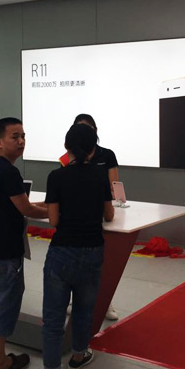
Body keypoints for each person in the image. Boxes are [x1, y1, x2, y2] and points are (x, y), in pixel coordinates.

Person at [40, 123, 115, 369]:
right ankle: (79, 355)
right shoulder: (99, 176)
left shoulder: (56, 177)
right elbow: (109, 215)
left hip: (62, 252)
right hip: (93, 250)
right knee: (84, 309)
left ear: (66, 147)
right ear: (93, 149)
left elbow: (53, 220)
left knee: (53, 319)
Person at [0, 117, 48, 369]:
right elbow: (26, 208)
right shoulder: (7, 171)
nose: (21, 141)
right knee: (4, 304)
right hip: (4, 250)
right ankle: (1, 363)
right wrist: (56, 211)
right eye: (14, 137)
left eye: (23, 136)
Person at [68, 113, 121, 321]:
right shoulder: (67, 157)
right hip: (75, 215)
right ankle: (74, 299)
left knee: (102, 261)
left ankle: (105, 302)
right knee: (74, 261)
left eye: (88, 128)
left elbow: (114, 186)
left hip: (101, 211)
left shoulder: (107, 155)